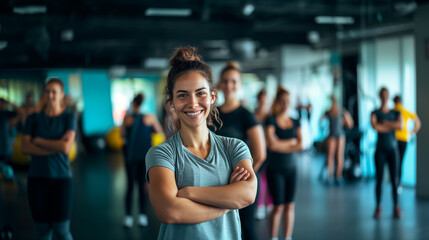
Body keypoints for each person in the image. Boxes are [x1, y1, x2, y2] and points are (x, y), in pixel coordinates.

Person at [145, 47, 257, 240]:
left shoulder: (234, 148)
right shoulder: (161, 154)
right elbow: (170, 211)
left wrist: (188, 192)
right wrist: (228, 202)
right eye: (182, 95)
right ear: (171, 102)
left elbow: (247, 194)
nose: (193, 103)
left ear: (212, 97)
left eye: (200, 93)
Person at [215, 61, 266, 240]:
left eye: (234, 81)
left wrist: (245, 179)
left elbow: (259, 154)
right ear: (220, 83)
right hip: (218, 182)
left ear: (239, 84)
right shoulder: (213, 114)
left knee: (246, 227)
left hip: (242, 182)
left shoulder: (246, 114)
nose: (229, 85)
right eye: (226, 80)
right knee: (221, 228)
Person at [21, 77, 76, 240]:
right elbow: (24, 147)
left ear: (61, 94)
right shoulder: (33, 118)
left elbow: (65, 147)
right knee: (42, 231)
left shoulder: (68, 117)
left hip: (62, 179)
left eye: (54, 92)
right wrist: (54, 147)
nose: (50, 95)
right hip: (37, 179)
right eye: (47, 91)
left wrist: (37, 141)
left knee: (61, 230)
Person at [265, 87, 303, 240]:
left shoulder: (295, 121)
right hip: (275, 169)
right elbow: (271, 145)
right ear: (278, 102)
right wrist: (291, 143)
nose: (286, 104)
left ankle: (287, 237)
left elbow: (301, 145)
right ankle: (274, 237)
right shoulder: (271, 120)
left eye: (288, 101)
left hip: (291, 169)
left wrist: (280, 143)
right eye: (283, 101)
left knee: (290, 206)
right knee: (278, 207)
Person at [121, 93, 163, 228]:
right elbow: (159, 132)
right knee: (143, 186)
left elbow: (122, 134)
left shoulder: (127, 118)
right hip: (145, 157)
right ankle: (142, 215)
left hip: (130, 157)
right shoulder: (150, 117)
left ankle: (128, 216)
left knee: (130, 185)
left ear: (133, 104)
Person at [371, 87, 402, 219]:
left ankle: (396, 206)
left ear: (388, 96)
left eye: (386, 94)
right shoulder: (375, 112)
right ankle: (378, 207)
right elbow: (375, 127)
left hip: (393, 150)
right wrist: (391, 125)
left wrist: (385, 123)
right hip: (380, 150)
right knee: (379, 180)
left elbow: (400, 125)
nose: (384, 97)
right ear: (379, 96)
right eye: (382, 94)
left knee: (395, 180)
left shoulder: (395, 112)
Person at [323, 94, 354, 184]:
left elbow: (350, 124)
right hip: (331, 135)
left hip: (340, 135)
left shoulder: (341, 111)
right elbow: (320, 122)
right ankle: (330, 176)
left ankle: (338, 176)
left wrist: (345, 118)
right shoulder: (328, 111)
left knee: (339, 155)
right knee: (330, 156)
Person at [393, 95, 421, 188]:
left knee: (394, 162)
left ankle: (395, 183)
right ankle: (398, 184)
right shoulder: (405, 111)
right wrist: (411, 132)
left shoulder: (392, 110)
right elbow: (418, 123)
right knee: (400, 161)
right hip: (404, 139)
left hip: (394, 139)